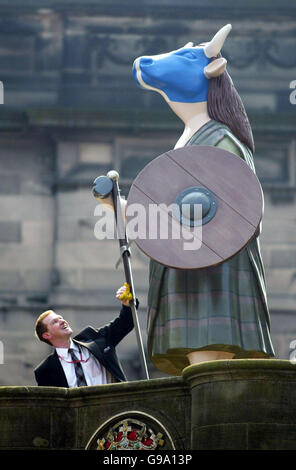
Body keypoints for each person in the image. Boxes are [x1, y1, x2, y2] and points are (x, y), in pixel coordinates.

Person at [34, 285, 137, 387]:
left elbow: (124, 323)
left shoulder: (94, 339)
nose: (62, 321)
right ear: (47, 335)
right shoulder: (45, 370)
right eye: (55, 322)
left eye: (61, 318)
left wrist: (127, 304)